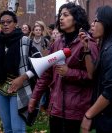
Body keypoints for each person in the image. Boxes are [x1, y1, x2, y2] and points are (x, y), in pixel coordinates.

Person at [28, 2, 98, 133]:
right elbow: (47, 74)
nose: (61, 18)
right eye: (60, 15)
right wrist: (34, 97)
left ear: (76, 18)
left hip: (76, 109)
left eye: (65, 15)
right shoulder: (58, 42)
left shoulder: (87, 43)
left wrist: (69, 72)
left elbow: (93, 76)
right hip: (56, 107)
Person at [0, 10, 41, 133]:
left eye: (9, 22)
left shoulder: (24, 41)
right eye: (2, 22)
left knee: (17, 129)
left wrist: (23, 77)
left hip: (20, 88)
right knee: (7, 128)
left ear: (15, 24)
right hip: (1, 87)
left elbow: (40, 63)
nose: (5, 25)